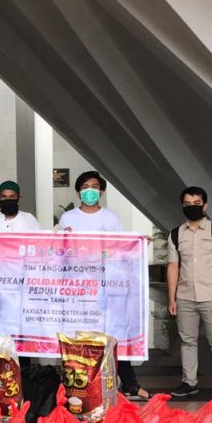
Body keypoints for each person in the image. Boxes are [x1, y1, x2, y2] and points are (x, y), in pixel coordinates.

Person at [58, 171, 149, 400]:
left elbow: (119, 248)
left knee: (114, 333)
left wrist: (136, 244)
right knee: (80, 336)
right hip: (78, 289)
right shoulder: (68, 218)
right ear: (78, 191)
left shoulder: (111, 218)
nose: (90, 190)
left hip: (106, 287)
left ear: (101, 191)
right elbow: (61, 252)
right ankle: (79, 383)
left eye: (95, 186)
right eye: (86, 186)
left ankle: (128, 383)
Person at [166, 186, 212, 397]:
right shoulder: (176, 234)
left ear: (205, 205)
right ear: (182, 207)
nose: (192, 208)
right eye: (187, 204)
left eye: (196, 204)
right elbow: (173, 267)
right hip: (185, 298)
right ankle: (189, 382)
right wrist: (171, 298)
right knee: (187, 341)